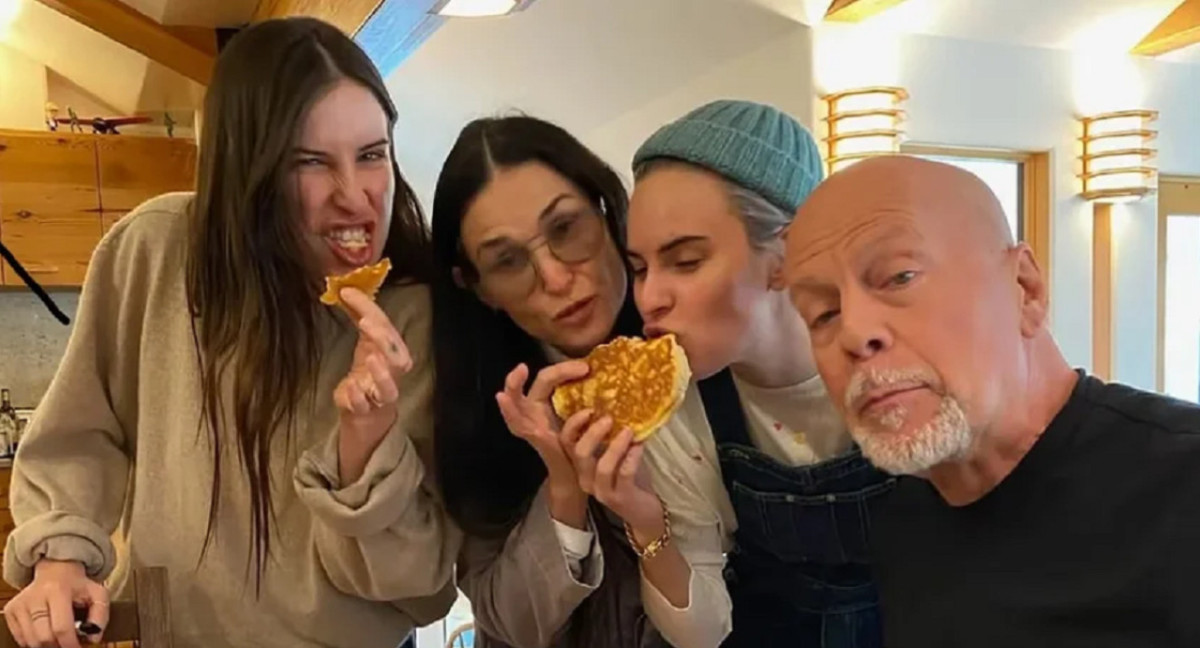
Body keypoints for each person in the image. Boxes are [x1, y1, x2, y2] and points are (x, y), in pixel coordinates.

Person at [2, 18, 457, 648]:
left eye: (372, 155)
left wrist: (367, 451)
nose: (355, 197)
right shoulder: (156, 250)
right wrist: (59, 558)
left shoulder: (419, 315)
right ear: (250, 170)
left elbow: (421, 590)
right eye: (311, 162)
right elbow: (84, 430)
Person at [785, 155, 1200, 647]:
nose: (854, 333)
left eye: (899, 278)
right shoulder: (901, 523)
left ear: (1025, 288)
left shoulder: (1181, 490)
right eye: (823, 314)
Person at [560, 99, 892, 648]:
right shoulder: (680, 414)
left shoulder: (898, 366)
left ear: (788, 254)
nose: (650, 297)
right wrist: (643, 518)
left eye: (686, 262)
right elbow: (703, 633)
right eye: (640, 268)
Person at [430, 115, 665, 647]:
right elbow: (507, 623)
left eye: (565, 228)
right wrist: (564, 489)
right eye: (509, 261)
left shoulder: (692, 344)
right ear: (478, 287)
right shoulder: (477, 407)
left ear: (606, 210)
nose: (557, 278)